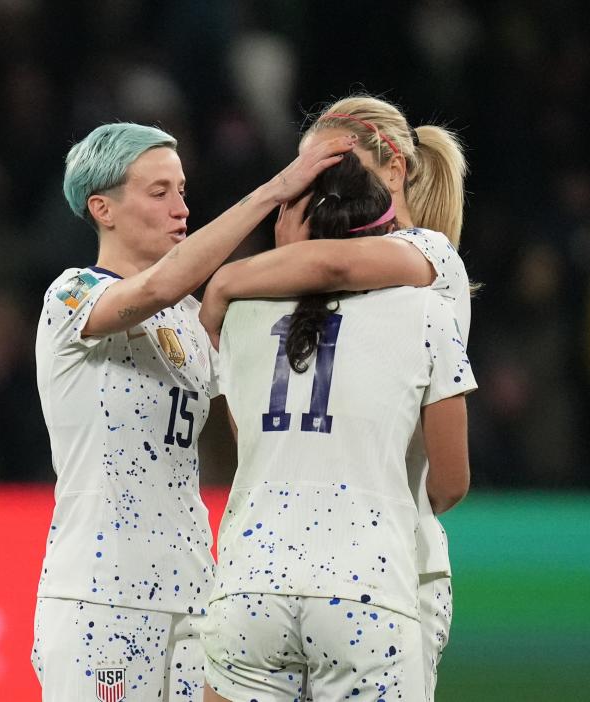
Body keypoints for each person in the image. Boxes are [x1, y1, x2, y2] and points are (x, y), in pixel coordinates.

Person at [30, 121, 355, 702]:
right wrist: (272, 191)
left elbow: (251, 430)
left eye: (182, 190)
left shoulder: (190, 316)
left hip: (195, 597)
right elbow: (153, 290)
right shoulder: (71, 296)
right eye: (159, 193)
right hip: (103, 599)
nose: (181, 208)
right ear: (102, 207)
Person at [198, 95, 471, 700]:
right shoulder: (416, 313)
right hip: (372, 580)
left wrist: (222, 281)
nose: (316, 188)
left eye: (325, 171)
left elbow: (332, 267)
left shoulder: (433, 262)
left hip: (246, 578)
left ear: (395, 166)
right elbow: (451, 481)